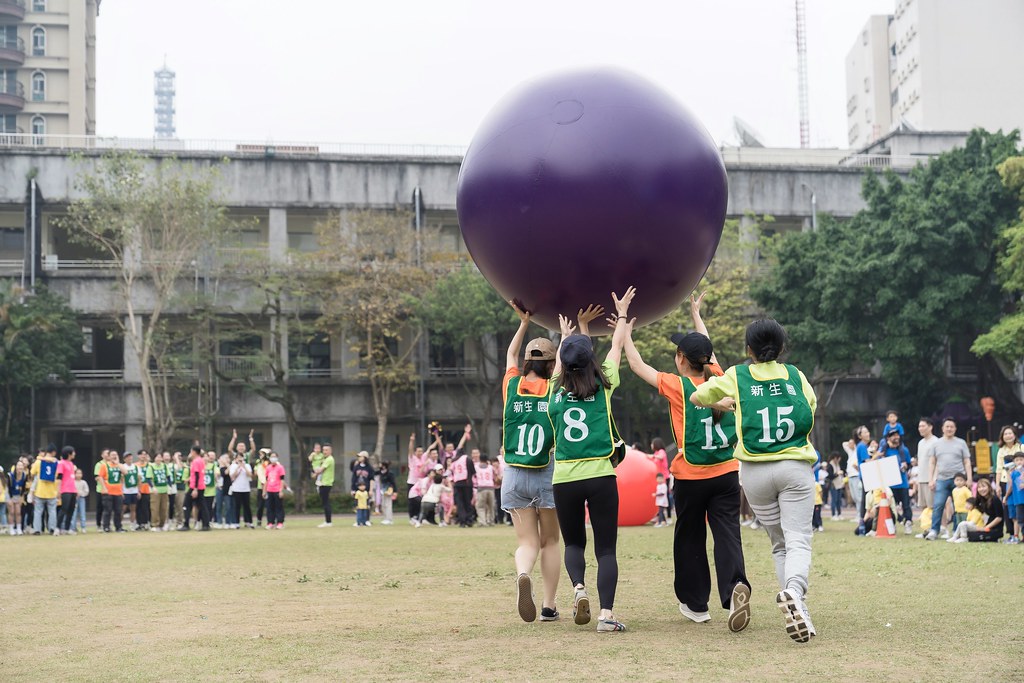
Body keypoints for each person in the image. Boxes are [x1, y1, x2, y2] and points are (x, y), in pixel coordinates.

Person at [623, 290, 750, 632]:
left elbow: (636, 365)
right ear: (707, 361)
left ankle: (697, 605)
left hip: (690, 477)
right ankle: (736, 585)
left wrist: (625, 329)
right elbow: (705, 349)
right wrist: (697, 315)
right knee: (727, 534)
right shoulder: (721, 380)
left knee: (690, 537)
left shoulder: (676, 385)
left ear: (680, 358)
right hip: (726, 472)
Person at [691, 318, 819, 643]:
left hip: (754, 472)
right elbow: (811, 408)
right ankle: (794, 593)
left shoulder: (737, 375)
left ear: (749, 349)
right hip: (794, 466)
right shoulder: (795, 375)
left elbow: (697, 397)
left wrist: (724, 403)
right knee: (798, 540)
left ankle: (796, 604)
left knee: (779, 543)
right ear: (782, 348)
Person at [547, 287, 634, 633]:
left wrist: (569, 337)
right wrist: (622, 314)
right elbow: (615, 346)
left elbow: (562, 368)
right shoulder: (605, 382)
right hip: (601, 475)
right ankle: (606, 616)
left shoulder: (554, 394)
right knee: (606, 550)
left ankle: (579, 589)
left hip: (564, 478)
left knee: (572, 543)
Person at [501, 298, 564, 621]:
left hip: (513, 474)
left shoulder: (512, 386)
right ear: (552, 366)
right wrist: (566, 334)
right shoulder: (554, 390)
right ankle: (550, 606)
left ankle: (523, 572)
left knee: (527, 542)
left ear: (527, 362)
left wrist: (524, 322)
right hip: (546, 472)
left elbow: (511, 354)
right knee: (551, 540)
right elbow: (565, 367)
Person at [925, 418, 972, 541]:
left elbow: (967, 462)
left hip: (959, 480)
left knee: (959, 506)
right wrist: (931, 479)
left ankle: (957, 530)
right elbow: (932, 462)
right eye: (947, 426)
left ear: (955, 429)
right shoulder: (936, 444)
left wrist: (969, 478)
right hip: (942, 479)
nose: (949, 429)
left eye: (952, 426)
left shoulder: (961, 443)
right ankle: (934, 530)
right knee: (938, 505)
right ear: (942, 428)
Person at [880, 431, 914, 534]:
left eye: (897, 435)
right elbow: (877, 460)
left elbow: (909, 464)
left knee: (906, 505)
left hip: (902, 482)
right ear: (888, 438)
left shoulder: (903, 450)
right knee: (891, 505)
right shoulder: (884, 450)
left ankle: (908, 522)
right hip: (890, 483)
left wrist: (905, 467)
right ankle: (893, 524)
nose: (896, 437)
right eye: (893, 435)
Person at [997, 425, 1022, 539]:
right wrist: (997, 485)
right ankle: (1012, 534)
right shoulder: (1001, 450)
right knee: (1008, 507)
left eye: (1010, 433)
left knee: (1020, 506)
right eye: (1005, 434)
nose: (1008, 436)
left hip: (1019, 481)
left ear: (1014, 434)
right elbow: (998, 469)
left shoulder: (1021, 447)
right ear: (1002, 436)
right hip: (1005, 481)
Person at [448, 426, 475, 527]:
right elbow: (472, 471)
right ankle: (469, 519)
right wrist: (466, 433)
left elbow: (451, 471)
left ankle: (462, 520)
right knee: (467, 502)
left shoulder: (454, 459)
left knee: (460, 503)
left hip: (457, 483)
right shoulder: (467, 458)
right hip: (467, 482)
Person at [179, 446, 210, 531]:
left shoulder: (196, 462)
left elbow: (196, 475)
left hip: (195, 486)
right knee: (202, 505)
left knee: (186, 504)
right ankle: (206, 524)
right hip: (200, 486)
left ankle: (186, 524)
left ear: (193, 452)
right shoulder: (201, 460)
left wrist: (195, 489)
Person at [31, 445, 59, 535]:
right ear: (54, 452)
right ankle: (52, 528)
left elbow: (32, 473)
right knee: (52, 511)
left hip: (40, 491)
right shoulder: (56, 462)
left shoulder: (38, 462)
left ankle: (37, 530)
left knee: (38, 512)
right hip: (52, 491)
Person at [965, 478, 1004, 542]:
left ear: (989, 487)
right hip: (986, 527)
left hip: (995, 529)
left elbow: (999, 518)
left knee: (973, 537)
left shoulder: (995, 499)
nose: (981, 489)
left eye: (984, 486)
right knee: (967, 532)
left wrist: (986, 528)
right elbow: (975, 507)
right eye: (979, 487)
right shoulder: (981, 499)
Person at [917, 418, 939, 512]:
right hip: (921, 479)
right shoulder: (920, 443)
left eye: (923, 426)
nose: (920, 428)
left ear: (930, 427)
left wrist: (934, 479)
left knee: (933, 506)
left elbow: (938, 462)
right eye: (919, 426)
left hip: (930, 480)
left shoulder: (936, 441)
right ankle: (926, 526)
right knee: (923, 506)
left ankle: (937, 526)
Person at [100, 451, 125, 533]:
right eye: (112, 455)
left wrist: (117, 463)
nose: (114, 456)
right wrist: (104, 488)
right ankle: (106, 526)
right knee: (108, 510)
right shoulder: (105, 465)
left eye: (116, 455)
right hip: (108, 491)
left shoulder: (119, 465)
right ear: (109, 456)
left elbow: (125, 472)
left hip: (118, 491)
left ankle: (118, 526)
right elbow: (100, 477)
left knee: (118, 510)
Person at [229, 451, 253, 529]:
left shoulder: (247, 465)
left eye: (241, 457)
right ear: (235, 459)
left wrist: (244, 467)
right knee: (237, 506)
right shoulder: (232, 466)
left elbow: (250, 475)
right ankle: (237, 523)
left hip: (246, 489)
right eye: (238, 457)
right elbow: (232, 476)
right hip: (236, 489)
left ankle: (249, 522)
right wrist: (238, 467)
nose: (240, 459)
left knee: (247, 506)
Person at [56, 446, 78, 535]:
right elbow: (59, 478)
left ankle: (67, 528)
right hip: (65, 489)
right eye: (73, 452)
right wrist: (58, 490)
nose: (74, 454)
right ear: (69, 454)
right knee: (64, 509)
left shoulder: (71, 464)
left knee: (71, 510)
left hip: (73, 489)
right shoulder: (61, 463)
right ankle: (57, 528)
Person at [263, 451, 287, 530]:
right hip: (270, 489)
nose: (273, 458)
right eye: (272, 457)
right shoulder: (268, 468)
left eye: (275, 457)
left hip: (277, 489)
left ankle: (280, 522)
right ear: (269, 458)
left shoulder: (280, 467)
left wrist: (281, 490)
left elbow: (282, 480)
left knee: (279, 507)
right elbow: (266, 480)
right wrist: (264, 491)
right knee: (270, 507)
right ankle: (270, 522)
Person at [314, 444, 336, 528]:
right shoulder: (325, 459)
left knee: (326, 502)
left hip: (326, 483)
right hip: (323, 482)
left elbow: (320, 470)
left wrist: (315, 471)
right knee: (325, 502)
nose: (324, 452)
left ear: (330, 451)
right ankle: (327, 520)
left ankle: (328, 521)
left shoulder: (329, 459)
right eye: (323, 450)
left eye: (326, 450)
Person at [149, 452, 170, 532]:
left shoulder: (164, 466)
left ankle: (162, 524)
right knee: (155, 508)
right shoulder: (151, 467)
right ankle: (154, 524)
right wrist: (152, 487)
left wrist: (170, 486)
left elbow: (168, 477)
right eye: (157, 457)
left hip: (164, 489)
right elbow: (148, 479)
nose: (158, 459)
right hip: (155, 490)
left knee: (164, 508)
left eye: (160, 457)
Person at [474, 454, 496, 527]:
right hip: (490, 487)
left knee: (480, 506)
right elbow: (494, 475)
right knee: (491, 506)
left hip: (481, 487)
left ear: (480, 459)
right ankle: (491, 521)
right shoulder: (490, 467)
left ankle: (483, 521)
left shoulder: (477, 467)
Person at [1006, 451, 1024, 544]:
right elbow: (1010, 483)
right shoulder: (1014, 472)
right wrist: (1009, 472)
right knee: (1020, 519)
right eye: (1017, 460)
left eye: (1021, 459)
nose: (1019, 462)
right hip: (1017, 500)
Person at [7, 460, 27, 535]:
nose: (20, 467)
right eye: (18, 465)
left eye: (21, 465)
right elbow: (8, 488)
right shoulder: (10, 476)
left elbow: (24, 487)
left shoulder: (24, 475)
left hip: (18, 495)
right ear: (15, 467)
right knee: (11, 512)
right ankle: (11, 528)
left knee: (18, 512)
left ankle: (18, 528)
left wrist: (21, 497)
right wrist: (10, 498)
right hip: (10, 494)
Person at [122, 452, 140, 530]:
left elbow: (139, 479)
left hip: (134, 490)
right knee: (123, 508)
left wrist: (139, 491)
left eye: (130, 457)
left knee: (133, 508)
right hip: (125, 491)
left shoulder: (136, 467)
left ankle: (132, 524)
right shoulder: (122, 467)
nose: (129, 459)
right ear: (124, 459)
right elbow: (121, 479)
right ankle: (119, 524)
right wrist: (121, 490)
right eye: (127, 457)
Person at [826, 453, 844, 520]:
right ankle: (833, 514)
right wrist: (837, 474)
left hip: (839, 484)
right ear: (835, 458)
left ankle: (839, 514)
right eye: (838, 458)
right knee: (834, 500)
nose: (839, 460)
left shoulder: (837, 464)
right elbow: (830, 476)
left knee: (839, 500)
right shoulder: (830, 465)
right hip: (833, 485)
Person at [93, 449, 108, 530]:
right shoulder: (99, 464)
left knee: (108, 508)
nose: (107, 455)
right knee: (100, 508)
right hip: (100, 489)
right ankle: (98, 524)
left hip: (110, 490)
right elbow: (96, 477)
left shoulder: (111, 464)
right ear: (102, 455)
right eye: (106, 453)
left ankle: (106, 525)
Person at [378, 461, 396, 525]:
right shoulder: (381, 473)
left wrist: (395, 491)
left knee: (388, 505)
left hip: (389, 490)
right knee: (383, 505)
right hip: (383, 490)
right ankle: (385, 518)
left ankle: (389, 519)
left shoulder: (390, 473)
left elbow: (393, 483)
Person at [74, 468, 90, 533]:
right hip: (74, 499)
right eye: (77, 473)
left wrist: (81, 494)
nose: (78, 475)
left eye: (80, 473)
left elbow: (86, 491)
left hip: (82, 498)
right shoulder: (72, 482)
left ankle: (83, 527)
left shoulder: (83, 482)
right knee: (73, 514)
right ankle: (73, 527)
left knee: (82, 513)